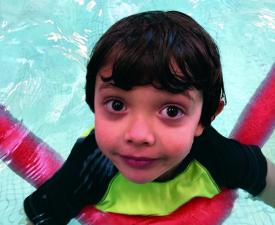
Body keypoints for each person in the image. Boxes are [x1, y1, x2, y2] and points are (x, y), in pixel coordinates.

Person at [24, 10, 275, 225]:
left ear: (205, 118)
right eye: (116, 104)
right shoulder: (87, 167)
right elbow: (41, 216)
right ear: (92, 105)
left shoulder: (220, 157)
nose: (138, 135)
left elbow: (267, 180)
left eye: (172, 111)